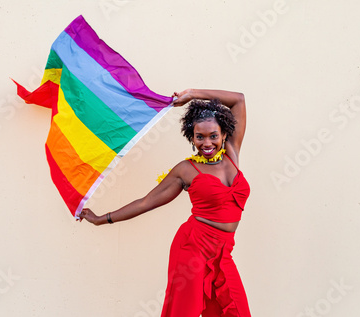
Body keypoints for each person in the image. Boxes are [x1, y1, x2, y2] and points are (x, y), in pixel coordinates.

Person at [78, 88, 251, 317]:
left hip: (223, 250)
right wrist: (102, 219)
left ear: (224, 135)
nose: (206, 143)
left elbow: (238, 99)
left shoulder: (232, 154)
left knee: (236, 310)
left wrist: (192, 95)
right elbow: (145, 202)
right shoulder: (186, 170)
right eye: (199, 137)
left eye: (213, 136)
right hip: (193, 247)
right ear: (191, 137)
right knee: (183, 311)